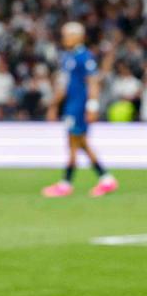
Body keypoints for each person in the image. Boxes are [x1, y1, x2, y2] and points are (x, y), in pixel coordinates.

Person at [42, 22, 118, 197]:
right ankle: (104, 179)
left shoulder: (84, 57)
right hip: (71, 106)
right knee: (78, 143)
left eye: (67, 35)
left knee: (75, 143)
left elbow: (93, 82)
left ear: (78, 36)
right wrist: (54, 105)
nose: (64, 38)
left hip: (79, 107)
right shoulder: (68, 56)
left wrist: (92, 106)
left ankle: (68, 183)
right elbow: (64, 85)